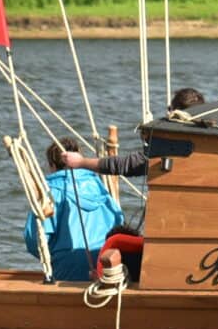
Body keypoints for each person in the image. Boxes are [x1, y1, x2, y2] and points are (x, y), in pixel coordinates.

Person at [59, 88, 208, 181]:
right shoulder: (213, 140)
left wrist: (80, 162)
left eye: (170, 109)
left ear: (176, 113)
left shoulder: (174, 145)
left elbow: (127, 165)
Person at [27, 138, 122, 283]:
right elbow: (118, 222)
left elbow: (36, 240)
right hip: (105, 263)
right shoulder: (100, 187)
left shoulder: (50, 192)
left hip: (67, 266)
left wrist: (51, 257)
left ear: (52, 165)